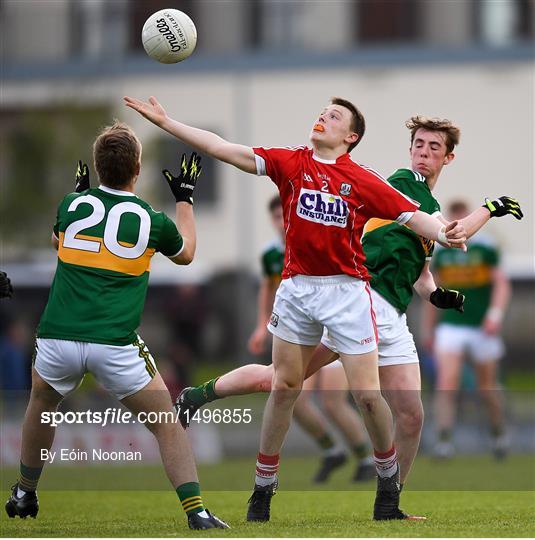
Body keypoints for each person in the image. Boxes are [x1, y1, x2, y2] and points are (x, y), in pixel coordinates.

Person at [124, 94, 469, 522]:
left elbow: (417, 219)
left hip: (347, 294)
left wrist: (448, 233)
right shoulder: (292, 162)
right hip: (297, 291)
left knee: (366, 396)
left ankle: (387, 489)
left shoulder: (362, 179)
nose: (323, 117)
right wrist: (166, 122)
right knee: (284, 387)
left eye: (334, 116)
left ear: (351, 136)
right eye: (322, 113)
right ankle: (263, 491)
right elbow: (221, 148)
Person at [173, 116, 523, 506]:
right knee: (283, 382)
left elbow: (421, 273)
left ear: (449, 157)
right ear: (410, 151)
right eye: (419, 145)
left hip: (393, 314)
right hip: (360, 303)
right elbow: (454, 233)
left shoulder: (428, 204)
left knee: (410, 416)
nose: (424, 152)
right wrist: (490, 208)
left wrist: (437, 295)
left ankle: (390, 504)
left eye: (433, 148)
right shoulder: (407, 183)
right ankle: (195, 395)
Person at [4, 123, 228, 530]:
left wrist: (80, 194)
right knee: (166, 424)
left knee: (42, 406)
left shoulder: (71, 205)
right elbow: (187, 254)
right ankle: (196, 512)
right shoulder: (150, 219)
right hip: (114, 343)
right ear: (138, 169)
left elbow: (60, 242)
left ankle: (24, 490)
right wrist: (185, 199)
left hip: (58, 337)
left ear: (96, 166)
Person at [248, 195, 376, 483]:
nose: (281, 222)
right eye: (276, 217)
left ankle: (366, 457)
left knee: (332, 401)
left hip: (334, 333)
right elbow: (267, 289)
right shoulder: (271, 254)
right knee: (294, 397)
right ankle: (332, 450)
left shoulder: (321, 242)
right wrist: (260, 324)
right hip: (300, 335)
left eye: (285, 214)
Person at [423, 199, 513, 460]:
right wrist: (428, 329)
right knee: (447, 383)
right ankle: (443, 441)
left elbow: (502, 285)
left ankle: (498, 433)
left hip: (481, 328)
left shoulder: (485, 249)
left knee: (487, 387)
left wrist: (495, 316)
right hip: (452, 326)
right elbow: (432, 291)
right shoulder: (442, 254)